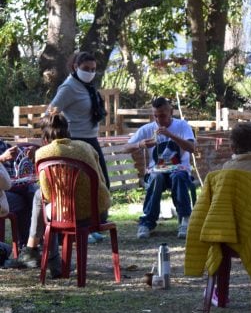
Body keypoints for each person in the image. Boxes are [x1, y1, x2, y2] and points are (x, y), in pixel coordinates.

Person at [16, 111, 111, 278]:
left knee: (40, 197)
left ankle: (34, 249)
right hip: (97, 212)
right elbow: (101, 180)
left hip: (67, 216)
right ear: (68, 130)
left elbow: (47, 194)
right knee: (46, 202)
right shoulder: (86, 147)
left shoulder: (42, 154)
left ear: (44, 136)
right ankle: (46, 258)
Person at [124, 97, 196, 239]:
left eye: (162, 115)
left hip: (179, 169)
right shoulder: (148, 129)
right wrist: (140, 145)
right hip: (157, 171)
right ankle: (147, 222)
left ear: (171, 112)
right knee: (156, 177)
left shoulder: (182, 126)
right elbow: (125, 147)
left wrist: (171, 135)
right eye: (155, 116)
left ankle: (184, 219)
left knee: (178, 176)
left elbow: (191, 148)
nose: (158, 119)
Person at [48, 51, 109, 188]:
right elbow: (50, 112)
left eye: (93, 69)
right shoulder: (68, 87)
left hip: (92, 138)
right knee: (86, 185)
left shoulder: (88, 86)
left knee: (103, 183)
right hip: (75, 140)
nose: (90, 72)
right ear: (76, 67)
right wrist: (58, 135)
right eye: (86, 69)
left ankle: (99, 210)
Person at [0, 140, 37, 247]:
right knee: (29, 198)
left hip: (10, 186)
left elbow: (17, 163)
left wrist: (26, 153)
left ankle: (28, 246)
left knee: (32, 192)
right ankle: (29, 246)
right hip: (4, 189)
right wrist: (2, 158)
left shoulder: (2, 144)